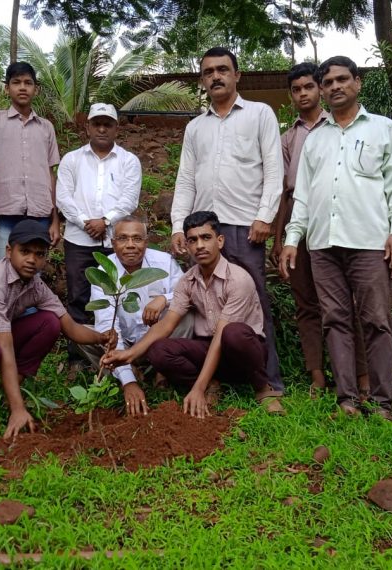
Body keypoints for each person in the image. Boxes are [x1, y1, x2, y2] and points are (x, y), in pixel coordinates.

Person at [279, 56, 392, 418]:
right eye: (328, 82)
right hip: (322, 244)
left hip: (369, 240)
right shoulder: (314, 140)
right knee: (334, 320)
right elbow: (302, 195)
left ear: (357, 82)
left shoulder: (384, 129)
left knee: (376, 321)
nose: (335, 86)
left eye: (342, 79)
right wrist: (292, 239)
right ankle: (347, 399)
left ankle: (383, 402)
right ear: (322, 90)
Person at [0, 220, 115, 440]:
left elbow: (70, 327)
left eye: (39, 254)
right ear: (8, 251)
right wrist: (18, 410)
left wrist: (101, 337)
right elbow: (3, 346)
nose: (32, 260)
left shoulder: (35, 285)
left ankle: (11, 390)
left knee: (48, 322)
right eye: (24, 251)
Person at [170, 47, 284, 392]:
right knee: (205, 305)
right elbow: (185, 178)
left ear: (237, 75)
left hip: (246, 227)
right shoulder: (195, 127)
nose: (216, 76)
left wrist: (265, 216)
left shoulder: (260, 114)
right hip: (204, 230)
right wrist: (179, 225)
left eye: (222, 69)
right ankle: (217, 378)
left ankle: (268, 383)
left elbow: (274, 169)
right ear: (202, 80)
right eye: (208, 72)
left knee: (255, 304)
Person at [104, 211, 285, 418]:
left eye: (206, 238)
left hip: (243, 352)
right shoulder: (187, 280)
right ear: (187, 246)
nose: (199, 245)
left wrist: (198, 389)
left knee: (233, 333)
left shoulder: (238, 279)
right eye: (193, 240)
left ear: (220, 241)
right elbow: (166, 324)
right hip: (208, 348)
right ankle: (213, 383)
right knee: (158, 350)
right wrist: (130, 354)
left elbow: (222, 335)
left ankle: (263, 389)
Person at [271, 62, 368, 397]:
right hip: (300, 225)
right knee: (307, 304)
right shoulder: (287, 138)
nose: (303, 94)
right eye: (296, 90)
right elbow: (285, 190)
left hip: (339, 221)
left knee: (346, 304)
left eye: (309, 87)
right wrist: (280, 236)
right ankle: (317, 375)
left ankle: (361, 375)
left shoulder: (340, 125)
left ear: (321, 89)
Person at [76, 216, 191, 417]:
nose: (130, 245)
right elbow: (107, 327)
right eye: (123, 238)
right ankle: (131, 372)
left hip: (162, 342)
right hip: (126, 347)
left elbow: (188, 292)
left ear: (146, 242)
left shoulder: (164, 262)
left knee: (188, 316)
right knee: (85, 335)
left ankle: (161, 369)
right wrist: (128, 382)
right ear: (113, 243)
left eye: (137, 239)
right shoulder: (104, 274)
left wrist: (164, 298)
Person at [56, 103, 142, 323]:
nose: (102, 129)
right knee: (78, 295)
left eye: (107, 124)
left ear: (116, 128)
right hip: (78, 240)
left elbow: (129, 200)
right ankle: (80, 353)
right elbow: (63, 199)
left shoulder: (129, 161)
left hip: (115, 240)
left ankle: (116, 347)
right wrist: (87, 223)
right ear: (88, 127)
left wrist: (105, 221)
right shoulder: (72, 159)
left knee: (114, 294)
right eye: (97, 124)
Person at [0, 61, 61, 257]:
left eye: (28, 82)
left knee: (33, 271)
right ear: (7, 88)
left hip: (40, 215)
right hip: (3, 213)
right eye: (16, 82)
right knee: (1, 270)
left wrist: (55, 220)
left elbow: (50, 173)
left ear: (36, 89)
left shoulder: (46, 127)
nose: (23, 87)